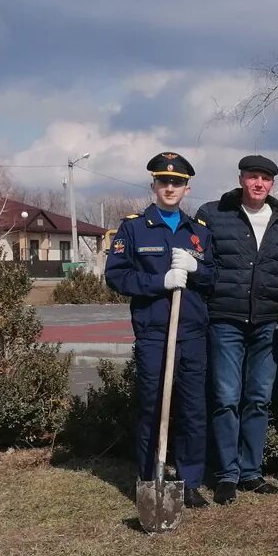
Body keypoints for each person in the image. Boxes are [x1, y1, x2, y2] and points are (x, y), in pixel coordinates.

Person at [105, 152, 216, 509]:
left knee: (193, 409)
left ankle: (189, 480)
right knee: (153, 406)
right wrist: (160, 281)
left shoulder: (198, 233)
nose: (170, 187)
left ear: (187, 188)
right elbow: (117, 276)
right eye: (164, 181)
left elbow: (214, 278)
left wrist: (197, 270)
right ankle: (149, 476)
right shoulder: (134, 228)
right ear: (154, 185)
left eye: (177, 183)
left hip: (192, 333)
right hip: (154, 332)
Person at [195, 154, 278, 505]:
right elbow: (200, 262)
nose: (258, 184)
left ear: (272, 184)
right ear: (241, 178)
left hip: (267, 323)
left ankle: (251, 471)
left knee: (258, 399)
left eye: (265, 179)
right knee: (226, 399)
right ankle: (227, 474)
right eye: (252, 177)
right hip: (225, 319)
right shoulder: (213, 215)